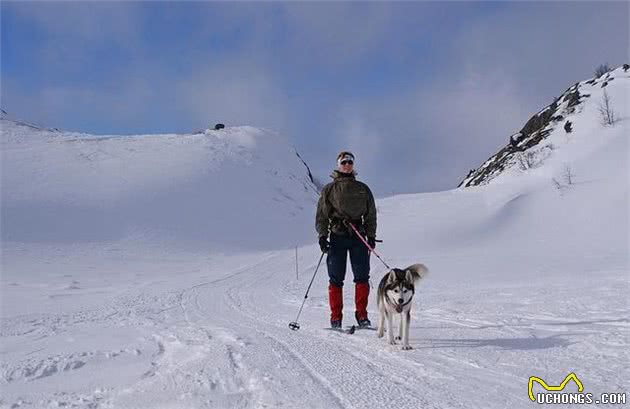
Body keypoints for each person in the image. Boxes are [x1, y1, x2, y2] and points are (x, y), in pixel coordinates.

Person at [315, 151, 377, 329]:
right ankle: (336, 317)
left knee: (362, 277)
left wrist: (371, 236)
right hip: (337, 236)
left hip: (358, 236)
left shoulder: (363, 189)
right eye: (344, 162)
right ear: (338, 165)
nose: (347, 165)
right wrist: (322, 236)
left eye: (350, 162)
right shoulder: (329, 189)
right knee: (335, 278)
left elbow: (370, 214)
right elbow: (322, 215)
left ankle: (362, 315)